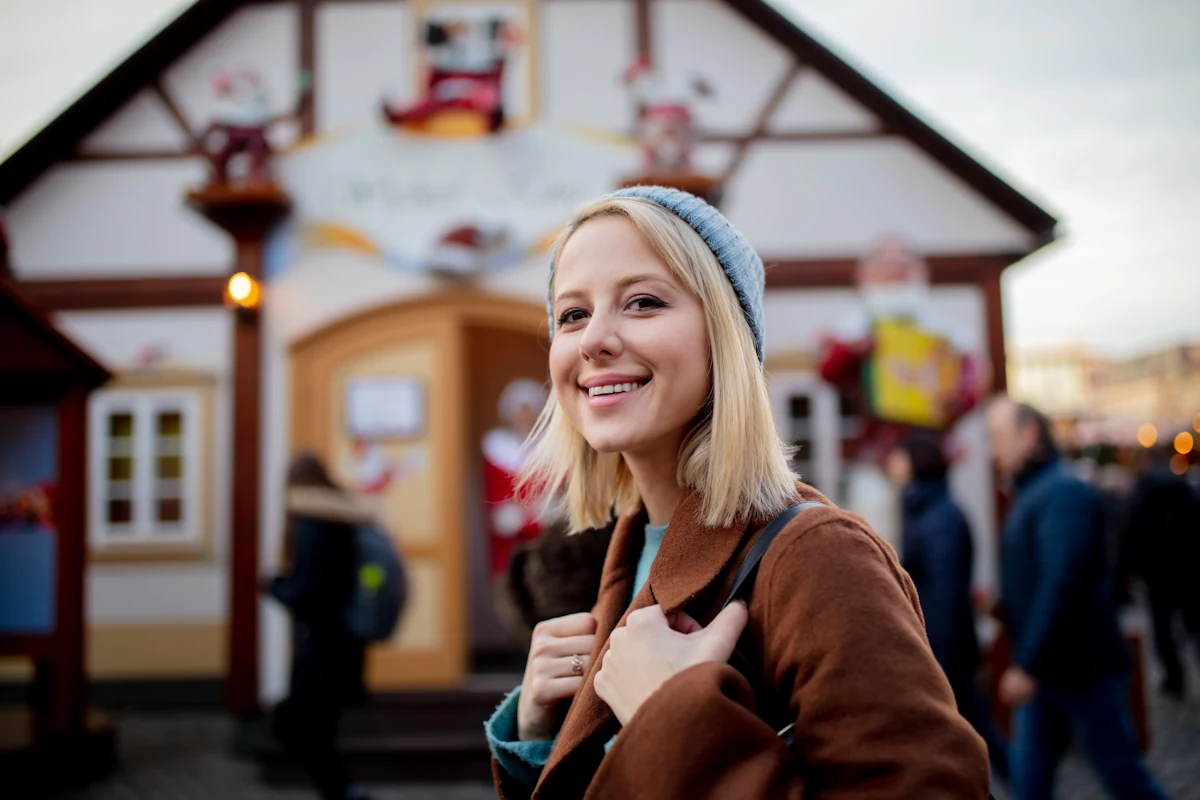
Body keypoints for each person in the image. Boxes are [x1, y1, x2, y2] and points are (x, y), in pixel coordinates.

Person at [484, 186, 989, 798]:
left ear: (725, 337)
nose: (593, 339)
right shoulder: (622, 550)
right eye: (572, 314)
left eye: (643, 302)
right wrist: (540, 736)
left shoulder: (820, 557)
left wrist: (675, 715)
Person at [986, 398, 1168, 800]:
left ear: (1029, 435)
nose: (992, 449)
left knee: (1126, 779)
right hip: (1053, 668)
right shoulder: (1037, 489)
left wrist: (1028, 665)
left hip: (1080, 670)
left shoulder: (1062, 491)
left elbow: (1060, 583)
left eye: (997, 437)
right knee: (1030, 782)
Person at [884, 431, 1009, 780]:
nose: (891, 464)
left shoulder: (940, 516)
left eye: (898, 457)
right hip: (941, 648)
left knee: (974, 737)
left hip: (947, 651)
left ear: (915, 463)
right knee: (973, 736)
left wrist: (938, 659)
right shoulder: (922, 509)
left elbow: (946, 597)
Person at [264, 453, 370, 800]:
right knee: (320, 725)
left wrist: (275, 586)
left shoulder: (310, 523)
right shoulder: (343, 517)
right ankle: (340, 790)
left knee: (303, 726)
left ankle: (340, 792)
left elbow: (307, 588)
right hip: (346, 636)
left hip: (320, 638)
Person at [1122, 446, 1200, 699]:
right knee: (1194, 623)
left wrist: (1129, 568)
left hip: (1157, 571)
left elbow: (1131, 528)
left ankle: (1174, 678)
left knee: (1162, 628)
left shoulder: (1144, 488)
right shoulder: (1183, 486)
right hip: (1189, 567)